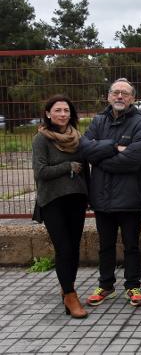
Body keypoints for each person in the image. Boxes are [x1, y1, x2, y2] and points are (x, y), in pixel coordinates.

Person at [81, 78, 141, 308]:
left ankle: (132, 286)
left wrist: (100, 157)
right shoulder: (97, 121)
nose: (120, 97)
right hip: (102, 197)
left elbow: (134, 159)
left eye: (125, 93)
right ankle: (105, 285)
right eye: (116, 93)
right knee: (105, 245)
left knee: (132, 245)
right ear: (108, 96)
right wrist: (113, 147)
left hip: (130, 197)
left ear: (133, 98)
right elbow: (84, 148)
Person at [32, 95, 89, 318]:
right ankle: (70, 295)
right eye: (58, 110)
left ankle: (67, 287)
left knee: (73, 248)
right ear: (48, 113)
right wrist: (67, 166)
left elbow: (86, 169)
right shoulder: (41, 139)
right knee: (63, 248)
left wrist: (90, 194)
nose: (63, 114)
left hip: (77, 199)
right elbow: (41, 172)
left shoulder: (77, 137)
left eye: (66, 110)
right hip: (53, 201)